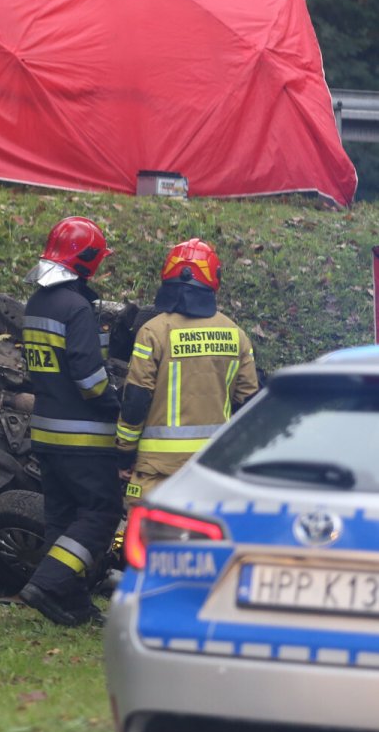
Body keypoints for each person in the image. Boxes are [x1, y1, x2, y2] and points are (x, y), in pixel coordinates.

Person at [18, 216, 122, 627]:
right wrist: (114, 401)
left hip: (45, 430)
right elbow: (87, 374)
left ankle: (70, 601)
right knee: (100, 511)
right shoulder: (76, 308)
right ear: (88, 259)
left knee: (61, 519)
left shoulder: (37, 303)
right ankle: (46, 582)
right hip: (82, 436)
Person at [115, 238, 259, 503]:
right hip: (213, 467)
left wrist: (125, 452)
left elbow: (135, 400)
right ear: (214, 279)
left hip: (157, 470)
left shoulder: (153, 332)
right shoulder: (236, 335)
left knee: (146, 542)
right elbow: (249, 403)